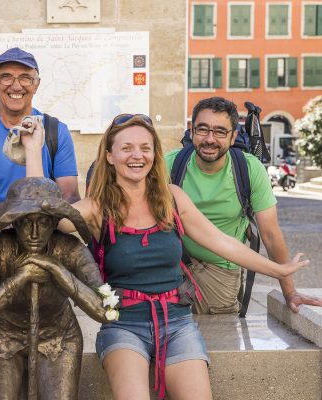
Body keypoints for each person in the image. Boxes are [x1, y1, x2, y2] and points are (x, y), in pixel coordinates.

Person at [23, 114, 308, 399]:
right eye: (127, 148)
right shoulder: (97, 208)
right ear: (109, 156)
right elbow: (44, 219)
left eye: (145, 148)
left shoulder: (172, 198)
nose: (138, 156)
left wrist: (278, 270)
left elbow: (223, 243)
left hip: (178, 325)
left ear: (154, 154)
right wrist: (34, 150)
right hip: (124, 326)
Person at [165, 97, 322, 315]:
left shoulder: (248, 169)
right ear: (192, 132)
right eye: (203, 129)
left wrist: (290, 292)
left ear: (233, 137)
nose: (210, 139)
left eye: (220, 131)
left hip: (221, 267)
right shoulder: (169, 165)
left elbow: (270, 233)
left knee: (217, 339)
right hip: (172, 264)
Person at [0, 177, 108, 400]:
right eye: (26, 222)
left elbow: (106, 310)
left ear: (55, 222)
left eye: (44, 222)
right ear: (15, 222)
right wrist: (20, 278)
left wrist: (59, 272)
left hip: (57, 337)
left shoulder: (71, 249)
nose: (34, 233)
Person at [0, 46, 80, 216]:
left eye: (25, 78)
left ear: (36, 85)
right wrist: (5, 228)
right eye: (6, 77)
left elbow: (70, 195)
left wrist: (38, 228)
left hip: (45, 232)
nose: (16, 86)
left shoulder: (56, 131)